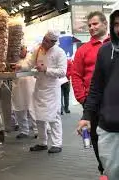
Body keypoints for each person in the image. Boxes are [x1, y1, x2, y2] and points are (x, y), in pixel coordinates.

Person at [77, 10, 119, 180]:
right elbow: (95, 86)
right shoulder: (103, 51)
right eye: (117, 24)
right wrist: (86, 112)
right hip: (107, 124)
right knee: (111, 171)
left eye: (95, 24)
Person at [13, 30, 67, 153]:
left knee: (54, 116)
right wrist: (21, 66)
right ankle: (42, 142)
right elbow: (30, 63)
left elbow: (62, 72)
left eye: (47, 41)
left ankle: (57, 143)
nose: (44, 43)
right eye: (43, 39)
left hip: (52, 88)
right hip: (39, 87)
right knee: (39, 116)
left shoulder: (60, 53)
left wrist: (46, 69)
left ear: (53, 42)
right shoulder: (38, 50)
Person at [72, 11, 109, 174]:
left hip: (114, 102)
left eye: (95, 24)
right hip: (93, 103)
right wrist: (82, 99)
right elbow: (76, 75)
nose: (91, 28)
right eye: (89, 25)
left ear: (105, 24)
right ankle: (104, 170)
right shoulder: (83, 50)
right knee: (96, 139)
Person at [11, 45, 38, 139]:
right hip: (18, 86)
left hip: (30, 86)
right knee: (19, 108)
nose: (19, 53)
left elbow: (33, 69)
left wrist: (21, 67)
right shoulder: (14, 59)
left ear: (25, 49)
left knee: (32, 108)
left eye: (21, 50)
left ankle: (37, 130)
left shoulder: (31, 57)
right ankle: (24, 130)